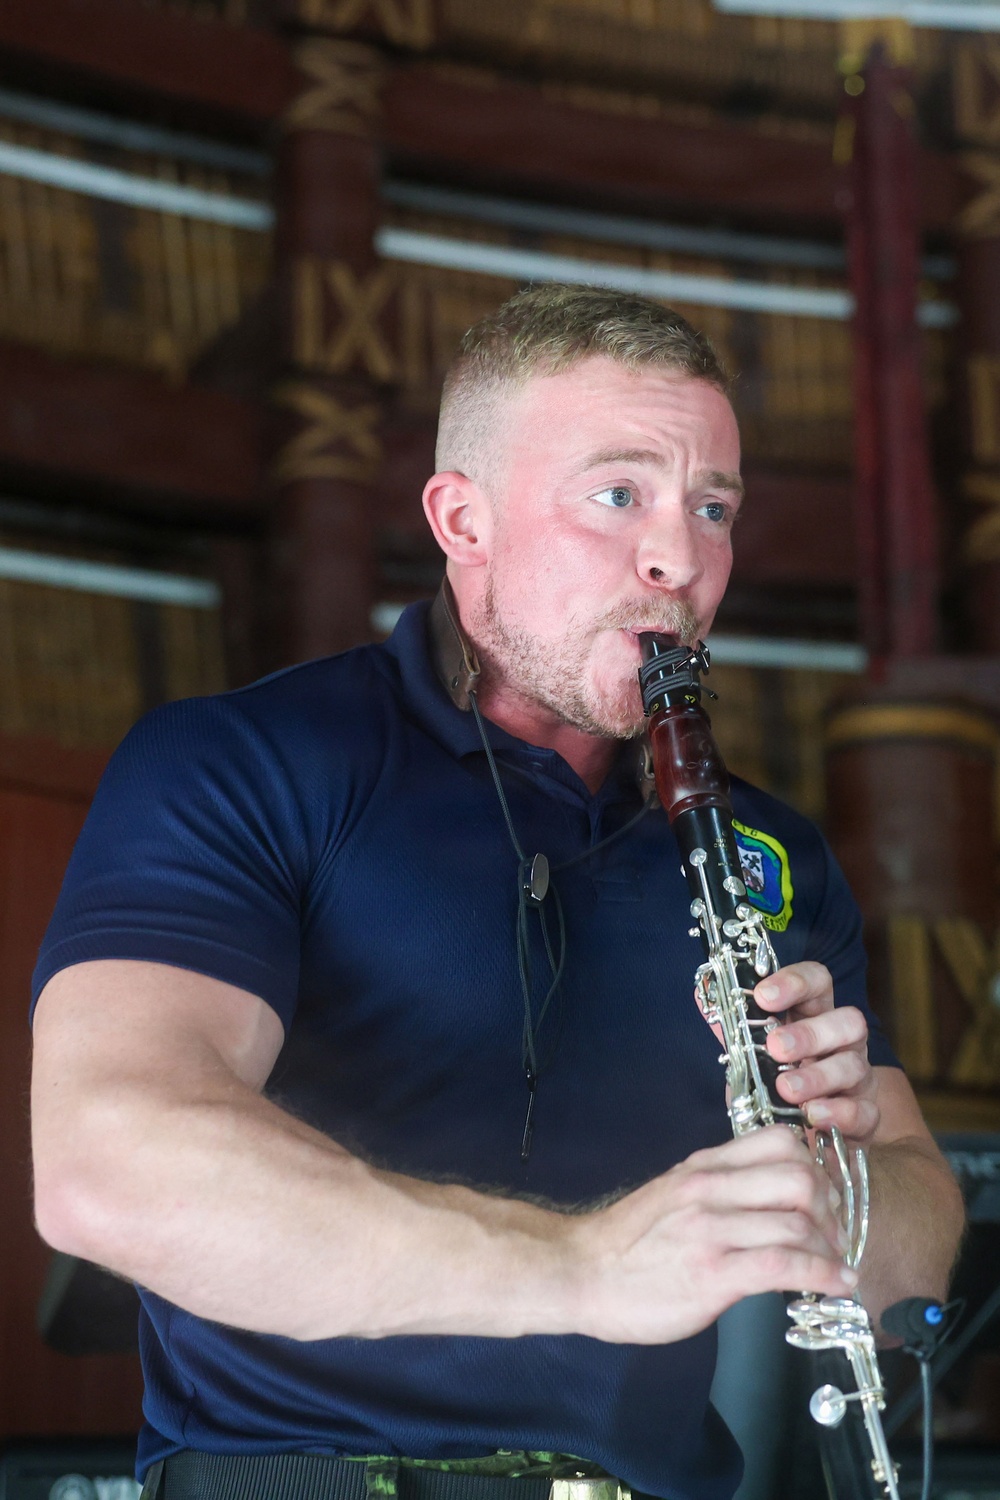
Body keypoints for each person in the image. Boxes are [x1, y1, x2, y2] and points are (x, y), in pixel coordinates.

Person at [30, 286, 963, 1500]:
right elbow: (110, 1166)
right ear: (462, 519)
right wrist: (581, 1269)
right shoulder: (242, 763)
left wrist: (833, 1178)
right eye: (617, 493)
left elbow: (913, 1251)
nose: (678, 557)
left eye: (713, 506)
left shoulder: (767, 855)